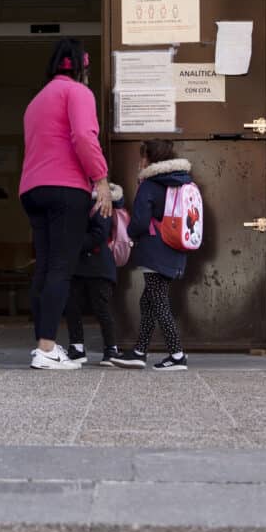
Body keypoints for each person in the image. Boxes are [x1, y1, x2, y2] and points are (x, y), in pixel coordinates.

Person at [19, 38, 110, 371]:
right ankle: (46, 348)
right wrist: (100, 179)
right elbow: (84, 137)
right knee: (61, 268)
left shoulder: (36, 101)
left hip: (32, 189)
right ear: (83, 67)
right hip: (66, 188)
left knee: (44, 268)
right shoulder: (78, 93)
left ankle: (43, 344)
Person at [117, 139, 197, 370]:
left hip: (154, 250)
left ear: (151, 159)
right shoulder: (181, 182)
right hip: (175, 248)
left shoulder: (150, 185)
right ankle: (140, 351)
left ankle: (177, 354)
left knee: (158, 301)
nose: (139, 162)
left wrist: (130, 233)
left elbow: (140, 223)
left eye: (142, 157)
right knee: (149, 300)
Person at [64, 183, 123, 364]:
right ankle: (77, 347)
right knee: (72, 306)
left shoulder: (101, 199)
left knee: (101, 308)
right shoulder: (77, 200)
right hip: (78, 264)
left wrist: (72, 243)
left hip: (98, 266)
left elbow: (100, 233)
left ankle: (111, 349)